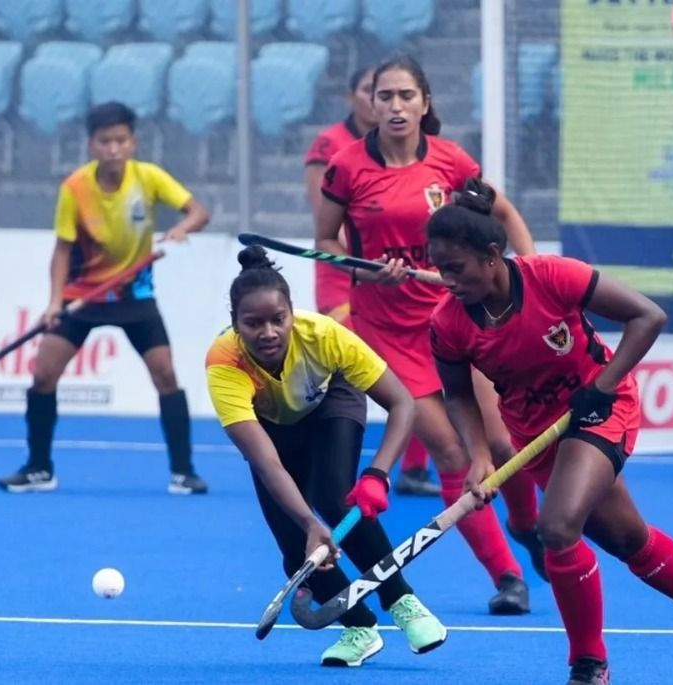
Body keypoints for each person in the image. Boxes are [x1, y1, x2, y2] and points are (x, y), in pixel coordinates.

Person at [425, 181, 673, 685]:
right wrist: (478, 457)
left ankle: (588, 663)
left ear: (492, 255)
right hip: (535, 434)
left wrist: (602, 388)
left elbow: (647, 316)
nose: (446, 280)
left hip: (599, 411)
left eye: (455, 268)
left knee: (557, 527)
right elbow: (457, 394)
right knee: (630, 541)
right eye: (439, 268)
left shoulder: (551, 277)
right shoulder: (448, 323)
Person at [314, 53, 547, 612]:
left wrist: (532, 272)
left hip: (459, 318)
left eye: (405, 97)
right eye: (384, 96)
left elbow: (506, 214)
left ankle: (524, 523)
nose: (394, 107)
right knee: (450, 453)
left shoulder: (449, 161)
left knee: (500, 442)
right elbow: (325, 242)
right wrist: (366, 269)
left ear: (425, 104)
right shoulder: (346, 166)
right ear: (370, 103)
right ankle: (507, 578)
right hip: (387, 331)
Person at [207, 246, 447, 667]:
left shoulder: (324, 335)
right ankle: (358, 626)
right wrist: (306, 523)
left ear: (291, 314)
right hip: (273, 428)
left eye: (277, 319)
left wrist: (377, 475)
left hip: (330, 403)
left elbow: (402, 404)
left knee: (337, 497)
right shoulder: (224, 362)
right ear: (235, 325)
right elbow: (265, 461)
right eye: (253, 323)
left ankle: (402, 601)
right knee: (293, 546)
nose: (268, 332)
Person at [0, 102, 211, 495]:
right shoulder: (75, 188)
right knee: (43, 374)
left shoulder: (148, 178)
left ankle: (184, 472)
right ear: (92, 144)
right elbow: (62, 250)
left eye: (121, 140)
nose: (114, 148)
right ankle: (39, 468)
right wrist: (54, 301)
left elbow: (198, 211)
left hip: (135, 295)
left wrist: (182, 229)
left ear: (133, 143)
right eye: (105, 141)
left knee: (165, 374)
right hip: (84, 296)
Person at [303, 66, 441, 498]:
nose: (385, 103)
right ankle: (329, 463)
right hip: (343, 271)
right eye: (375, 93)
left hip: (400, 275)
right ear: (358, 98)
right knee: (349, 366)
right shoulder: (332, 147)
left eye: (403, 95)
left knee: (425, 368)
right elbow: (325, 220)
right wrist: (368, 266)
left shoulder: (424, 150)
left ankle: (415, 466)